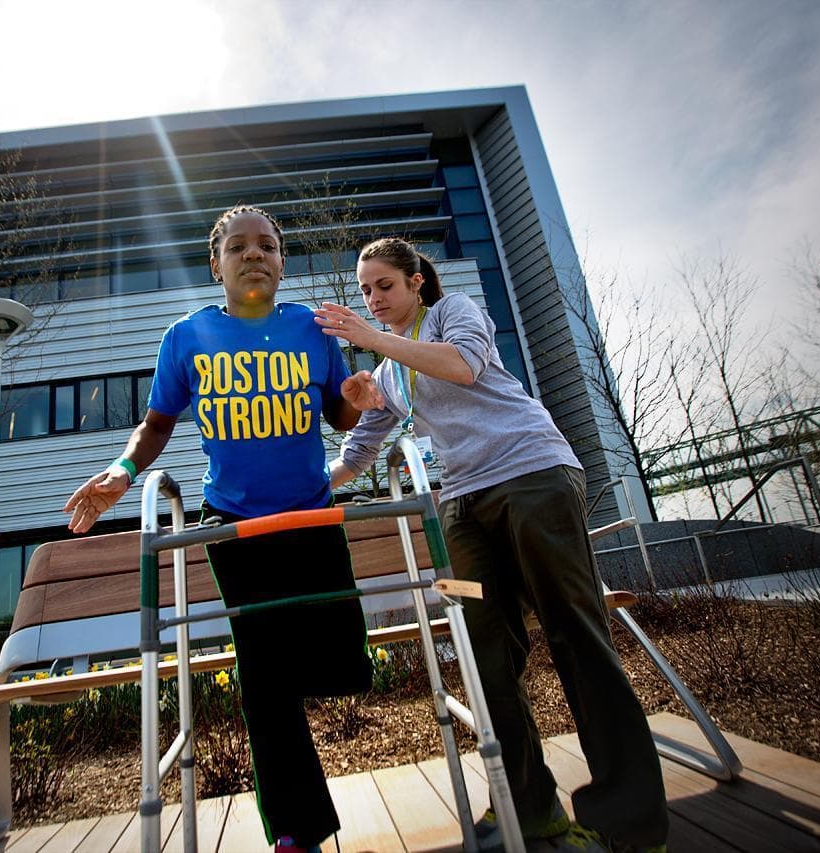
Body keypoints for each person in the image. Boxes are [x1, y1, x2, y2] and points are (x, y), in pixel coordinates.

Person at [317, 237, 668, 853]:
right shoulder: (387, 374)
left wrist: (373, 341)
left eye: (385, 286)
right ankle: (529, 807)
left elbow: (462, 366)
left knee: (575, 634)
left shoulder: (453, 314)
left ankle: (629, 823)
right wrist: (293, 492)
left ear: (416, 282)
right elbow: (357, 453)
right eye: (366, 290)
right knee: (484, 654)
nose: (373, 299)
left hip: (532, 476)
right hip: (463, 504)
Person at [64, 205, 375, 853]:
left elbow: (339, 414)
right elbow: (156, 424)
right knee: (265, 680)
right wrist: (122, 471)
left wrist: (354, 398)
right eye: (238, 247)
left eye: (267, 245)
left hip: (311, 516)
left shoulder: (312, 327)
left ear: (282, 262)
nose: (254, 254)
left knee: (345, 667)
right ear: (216, 264)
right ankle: (295, 831)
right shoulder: (188, 337)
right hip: (236, 526)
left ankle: (288, 695)